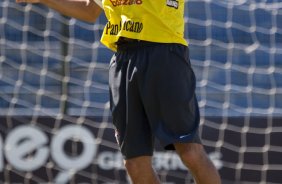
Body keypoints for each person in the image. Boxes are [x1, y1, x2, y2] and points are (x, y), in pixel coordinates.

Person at [16, 0, 222, 183]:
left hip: (163, 53)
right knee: (134, 162)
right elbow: (90, 10)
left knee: (189, 152)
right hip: (122, 58)